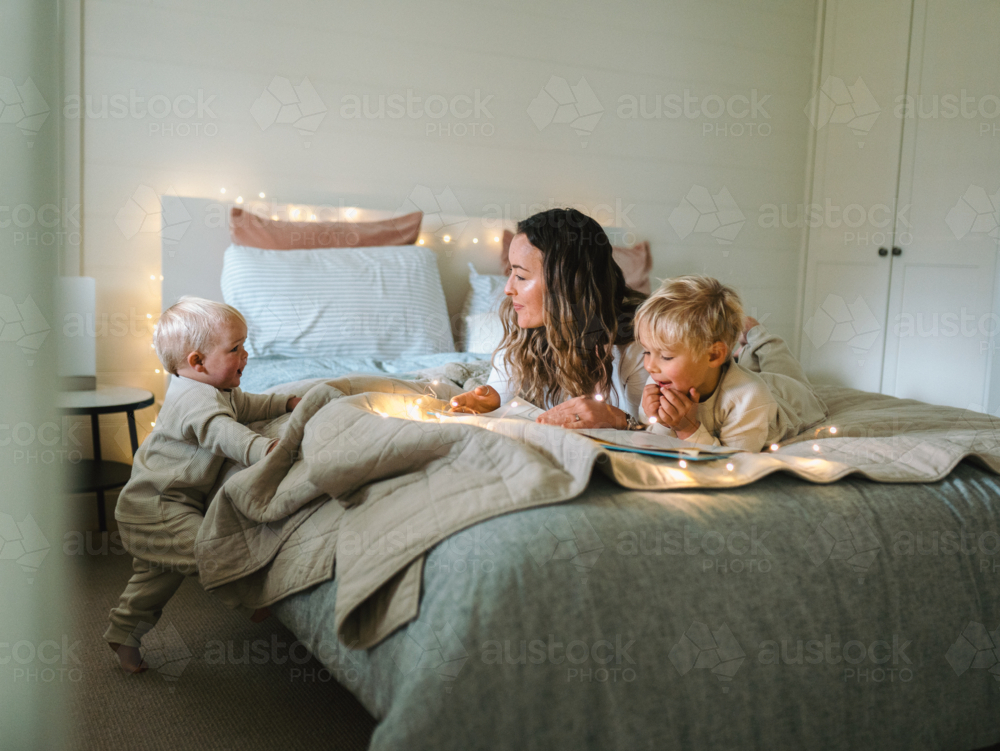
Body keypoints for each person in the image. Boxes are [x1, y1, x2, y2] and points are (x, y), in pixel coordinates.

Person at [104, 297, 301, 673]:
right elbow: (224, 432)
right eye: (235, 349)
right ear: (197, 362)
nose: (246, 356)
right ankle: (250, 599)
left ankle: (123, 633)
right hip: (157, 505)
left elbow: (247, 406)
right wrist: (265, 449)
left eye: (244, 346)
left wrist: (285, 402)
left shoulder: (216, 389)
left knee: (153, 583)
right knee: (211, 549)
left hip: (162, 502)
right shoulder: (195, 401)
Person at [449, 208, 648, 429]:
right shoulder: (524, 336)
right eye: (511, 273)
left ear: (566, 284)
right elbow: (500, 394)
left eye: (521, 276)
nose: (507, 288)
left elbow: (654, 432)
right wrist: (489, 401)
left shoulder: (640, 348)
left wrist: (618, 419)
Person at [636, 275, 827, 452]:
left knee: (781, 368)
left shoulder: (749, 398)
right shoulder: (662, 380)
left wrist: (687, 428)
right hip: (732, 377)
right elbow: (656, 440)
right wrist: (657, 419)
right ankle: (745, 350)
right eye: (647, 352)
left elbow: (731, 461)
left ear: (713, 356)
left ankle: (757, 334)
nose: (650, 366)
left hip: (785, 400)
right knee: (748, 367)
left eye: (666, 357)